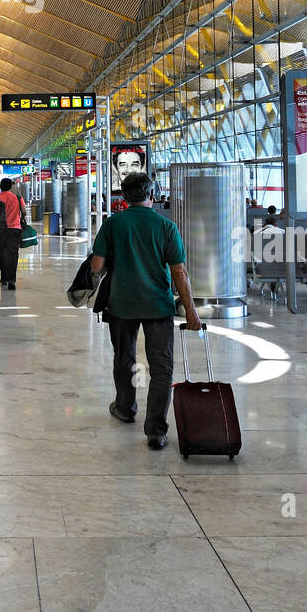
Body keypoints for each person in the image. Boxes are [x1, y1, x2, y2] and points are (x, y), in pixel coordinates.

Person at [89, 171, 201, 449]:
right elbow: (179, 273)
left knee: (123, 359)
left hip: (120, 305)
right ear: (151, 195)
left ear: (124, 197)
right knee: (162, 368)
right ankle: (155, 431)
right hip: (158, 306)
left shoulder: (112, 224)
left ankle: (125, 408)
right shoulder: (166, 227)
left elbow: (96, 267)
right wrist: (191, 312)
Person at [0, 176, 26, 290]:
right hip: (15, 229)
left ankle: (4, 277)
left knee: (2, 253)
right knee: (13, 255)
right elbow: (24, 211)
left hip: (0, 231)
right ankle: (11, 279)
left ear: (0, 186)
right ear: (11, 186)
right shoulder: (18, 198)